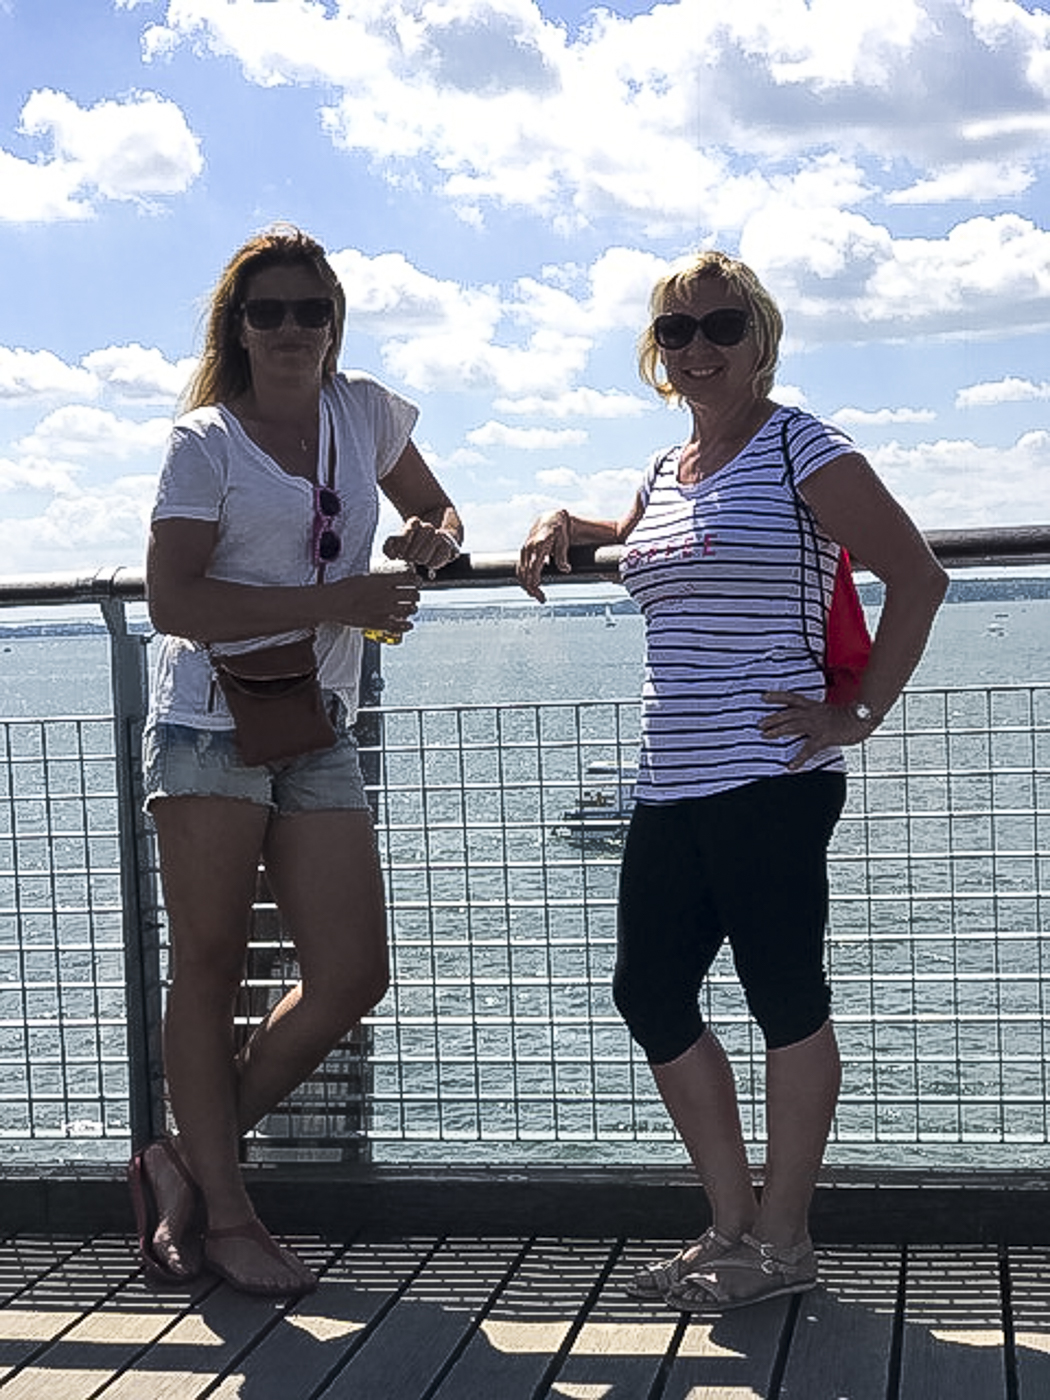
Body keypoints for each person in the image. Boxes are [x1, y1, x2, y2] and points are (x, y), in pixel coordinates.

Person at [517, 250, 947, 1311]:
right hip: (671, 777)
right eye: (677, 330)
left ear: (762, 338)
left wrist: (858, 715)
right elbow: (643, 542)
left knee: (784, 998)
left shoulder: (804, 446)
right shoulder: (666, 470)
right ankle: (731, 1224)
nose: (699, 347)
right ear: (656, 353)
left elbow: (919, 575)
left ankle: (786, 1242)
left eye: (722, 326)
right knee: (650, 991)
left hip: (772, 773)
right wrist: (566, 522)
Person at [130, 224, 463, 1298]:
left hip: (316, 723)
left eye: (309, 310)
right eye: (266, 311)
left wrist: (434, 537)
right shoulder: (205, 443)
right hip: (209, 724)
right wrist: (339, 598)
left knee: (353, 972)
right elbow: (173, 601)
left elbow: (436, 504)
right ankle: (229, 1217)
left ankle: (184, 1163)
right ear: (238, 327)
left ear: (334, 323)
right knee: (211, 964)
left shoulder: (360, 413)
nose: (290, 328)